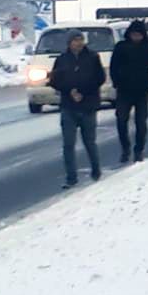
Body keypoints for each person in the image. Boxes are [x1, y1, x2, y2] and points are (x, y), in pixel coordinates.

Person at [49, 30, 105, 188]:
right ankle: (71, 177)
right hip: (69, 106)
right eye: (75, 40)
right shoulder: (62, 59)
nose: (79, 43)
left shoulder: (92, 57)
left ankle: (96, 171)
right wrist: (69, 91)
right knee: (68, 144)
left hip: (88, 105)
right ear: (69, 43)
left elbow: (100, 78)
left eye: (81, 39)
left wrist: (83, 92)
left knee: (89, 142)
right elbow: (54, 80)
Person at [109, 20, 148, 164]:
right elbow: (114, 67)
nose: (136, 37)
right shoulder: (121, 47)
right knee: (121, 120)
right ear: (129, 34)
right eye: (134, 34)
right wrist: (117, 83)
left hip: (142, 92)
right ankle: (125, 149)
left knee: (141, 123)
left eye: (139, 34)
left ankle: (139, 150)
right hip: (124, 91)